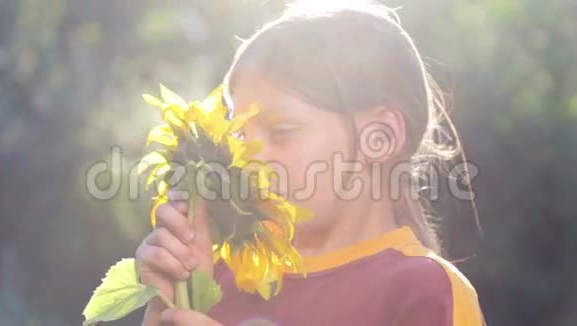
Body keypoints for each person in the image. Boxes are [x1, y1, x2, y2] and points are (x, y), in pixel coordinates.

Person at [136, 1, 484, 325]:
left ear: (381, 138)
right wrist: (168, 304)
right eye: (240, 136)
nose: (247, 160)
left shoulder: (423, 291)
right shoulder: (219, 276)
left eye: (282, 131)